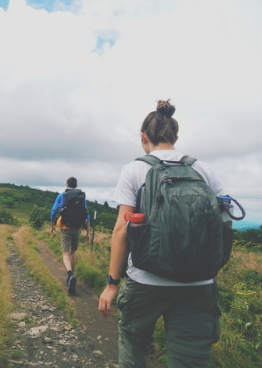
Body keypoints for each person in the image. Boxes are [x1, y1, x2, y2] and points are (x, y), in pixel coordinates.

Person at [98, 100, 223, 368]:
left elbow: (122, 228)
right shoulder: (203, 170)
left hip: (146, 280)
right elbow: (220, 222)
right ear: (176, 138)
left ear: (143, 138)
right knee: (191, 357)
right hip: (199, 283)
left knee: (132, 340)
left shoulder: (134, 170)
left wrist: (112, 283)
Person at [51, 177, 90, 295]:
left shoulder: (62, 196)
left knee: (65, 254)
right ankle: (71, 277)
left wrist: (52, 225)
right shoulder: (81, 197)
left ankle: (69, 274)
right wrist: (87, 233)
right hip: (77, 228)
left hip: (65, 229)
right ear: (76, 185)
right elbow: (87, 215)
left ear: (67, 184)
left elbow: (53, 211)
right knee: (73, 252)